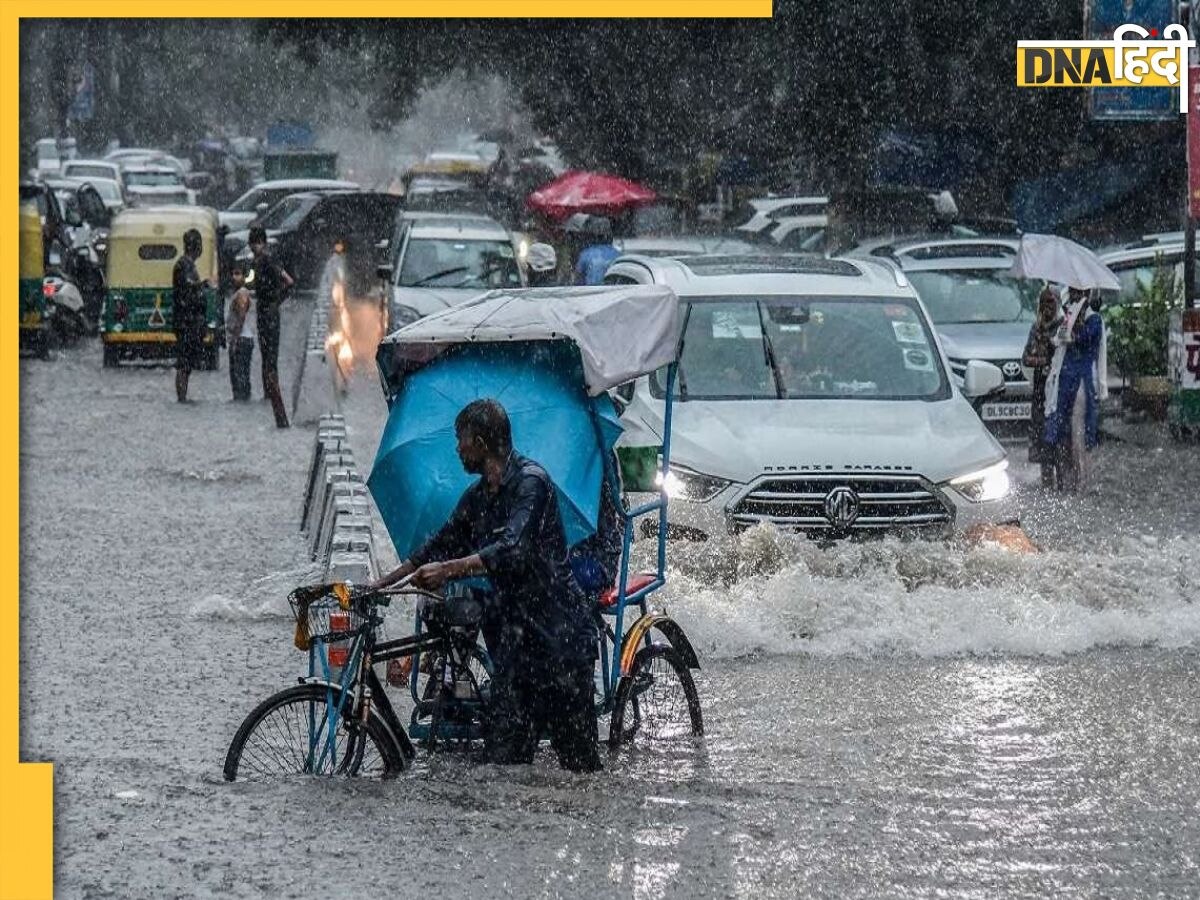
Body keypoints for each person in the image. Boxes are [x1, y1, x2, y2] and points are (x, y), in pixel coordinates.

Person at [369, 399, 602, 772]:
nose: (457, 449)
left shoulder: (532, 483)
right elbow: (437, 544)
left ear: (479, 442)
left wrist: (447, 571)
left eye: (460, 441)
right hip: (515, 650)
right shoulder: (477, 498)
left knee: (579, 769)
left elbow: (512, 549)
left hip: (559, 644)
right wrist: (381, 585)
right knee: (503, 768)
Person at [1043, 287, 1108, 491]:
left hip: (1081, 382)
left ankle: (1083, 479)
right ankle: (1067, 479)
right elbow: (1057, 340)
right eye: (1072, 292)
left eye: (1078, 293)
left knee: (1080, 431)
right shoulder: (1067, 315)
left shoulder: (1094, 319)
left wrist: (1072, 334)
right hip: (1064, 382)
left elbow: (1087, 340)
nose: (1074, 296)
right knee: (1063, 430)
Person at [248, 226, 293, 428]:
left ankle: (272, 393)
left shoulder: (267, 260)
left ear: (262, 243)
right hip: (265, 312)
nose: (254, 247)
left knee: (270, 356)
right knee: (266, 355)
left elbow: (289, 281)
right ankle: (269, 394)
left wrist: (276, 301)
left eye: (256, 243)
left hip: (269, 314)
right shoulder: (259, 262)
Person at [1022, 286, 1061, 474]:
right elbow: (1026, 358)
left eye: (1051, 302)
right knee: (1040, 429)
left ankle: (1061, 475)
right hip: (1040, 386)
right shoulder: (1036, 328)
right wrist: (1043, 360)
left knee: (1056, 432)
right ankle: (1046, 478)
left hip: (1056, 385)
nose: (1047, 307)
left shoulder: (1062, 326)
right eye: (1044, 302)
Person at [171, 228, 211, 403]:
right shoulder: (183, 265)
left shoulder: (188, 265)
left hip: (190, 321)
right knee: (184, 363)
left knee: (187, 364)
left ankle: (183, 396)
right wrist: (202, 286)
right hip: (186, 322)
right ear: (196, 247)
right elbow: (188, 289)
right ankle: (182, 398)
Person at [225, 265, 254, 402]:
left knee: (239, 377)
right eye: (233, 273)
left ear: (244, 277)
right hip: (241, 339)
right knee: (240, 377)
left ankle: (242, 401)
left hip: (241, 339)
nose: (234, 277)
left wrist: (235, 340)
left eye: (238, 274)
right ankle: (242, 402)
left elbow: (241, 316)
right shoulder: (238, 293)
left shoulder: (242, 293)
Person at [573, 219, 619, 286]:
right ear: (610, 236)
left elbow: (578, 279)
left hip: (591, 292)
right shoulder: (618, 255)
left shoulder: (586, 254)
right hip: (613, 293)